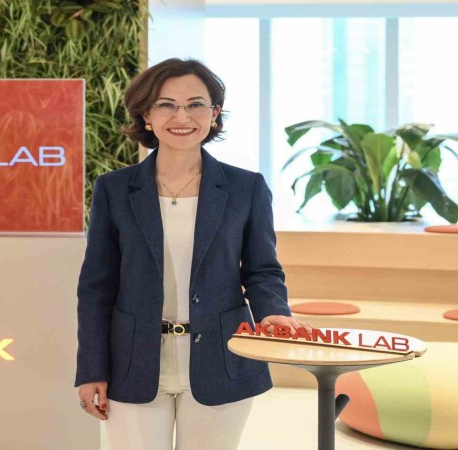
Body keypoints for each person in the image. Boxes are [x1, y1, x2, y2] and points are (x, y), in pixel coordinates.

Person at [75, 58, 311, 450]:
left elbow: (262, 270)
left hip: (222, 356)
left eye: (195, 104)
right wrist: (91, 368)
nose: (181, 116)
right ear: (146, 115)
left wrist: (273, 311)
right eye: (166, 105)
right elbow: (96, 287)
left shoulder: (246, 188)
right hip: (132, 361)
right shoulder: (114, 189)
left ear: (214, 114)